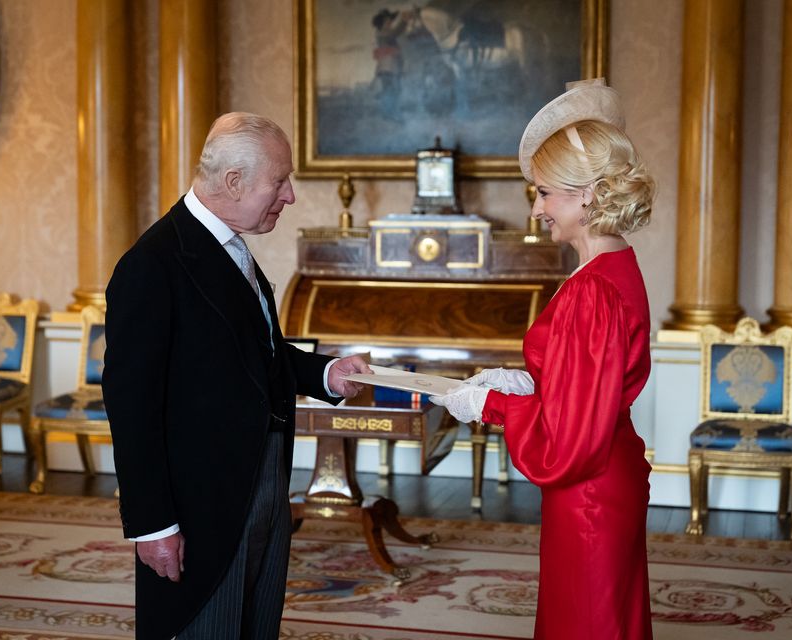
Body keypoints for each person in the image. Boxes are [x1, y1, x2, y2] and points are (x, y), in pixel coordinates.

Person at [102, 112, 371, 640]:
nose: (289, 195)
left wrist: (326, 373)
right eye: (280, 180)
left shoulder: (233, 248)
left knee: (255, 626)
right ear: (233, 182)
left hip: (263, 480)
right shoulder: (151, 265)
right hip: (201, 502)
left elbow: (257, 352)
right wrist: (153, 526)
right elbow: (130, 408)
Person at [430, 79, 655, 639]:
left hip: (590, 492)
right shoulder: (608, 269)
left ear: (588, 194)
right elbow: (584, 386)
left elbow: (570, 443)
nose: (536, 210)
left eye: (545, 193)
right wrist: (524, 382)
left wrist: (493, 405)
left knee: (587, 624)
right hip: (605, 478)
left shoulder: (592, 289)